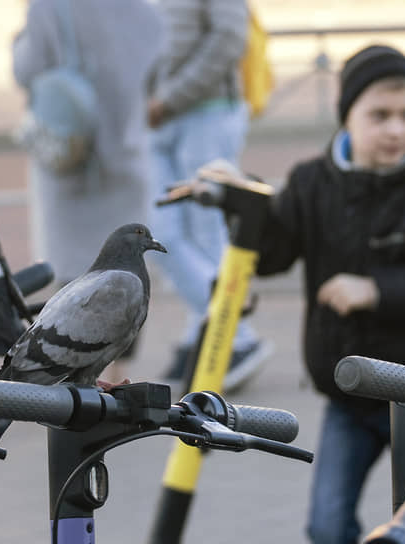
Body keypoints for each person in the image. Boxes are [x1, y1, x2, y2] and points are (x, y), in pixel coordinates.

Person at [253, 45, 405, 544]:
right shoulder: (312, 183)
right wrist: (244, 209)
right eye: (380, 115)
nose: (397, 129)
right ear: (347, 117)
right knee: (327, 526)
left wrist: (377, 291)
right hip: (350, 394)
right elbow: (270, 254)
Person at [12, 0, 163, 375]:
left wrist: (19, 40)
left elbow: (27, 68)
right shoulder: (141, 9)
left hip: (70, 164)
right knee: (130, 285)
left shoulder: (49, 7)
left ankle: (71, 385)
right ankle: (116, 380)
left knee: (73, 290)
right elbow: (159, 59)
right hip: (125, 155)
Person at [147, 0, 271, 392]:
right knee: (166, 229)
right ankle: (204, 335)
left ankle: (235, 336)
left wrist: (170, 98)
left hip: (206, 111)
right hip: (155, 115)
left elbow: (229, 37)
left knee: (203, 233)